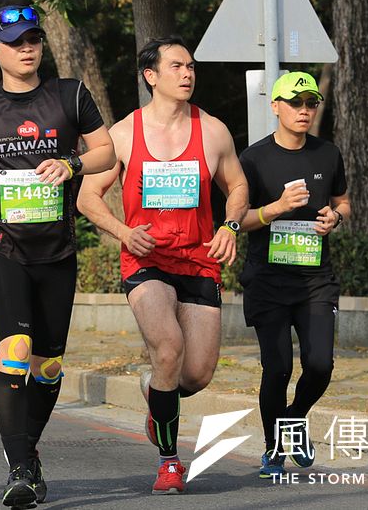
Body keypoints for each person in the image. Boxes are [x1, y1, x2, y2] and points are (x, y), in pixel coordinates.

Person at [0, 4, 115, 507]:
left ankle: (28, 453)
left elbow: (107, 152)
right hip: (1, 246)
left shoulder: (69, 94)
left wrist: (71, 162)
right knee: (14, 350)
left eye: (33, 37)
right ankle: (19, 468)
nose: (27, 47)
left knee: (49, 365)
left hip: (56, 249)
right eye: (14, 41)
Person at [78, 35, 248, 495]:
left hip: (200, 261)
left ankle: (158, 392)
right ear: (151, 76)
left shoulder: (212, 130)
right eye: (176, 66)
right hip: (145, 260)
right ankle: (170, 461)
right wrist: (123, 232)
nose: (188, 73)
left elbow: (236, 185)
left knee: (196, 374)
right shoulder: (123, 134)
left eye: (191, 66)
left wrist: (230, 227)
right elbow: (87, 197)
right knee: (168, 345)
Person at [236, 72, 350, 478]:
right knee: (279, 367)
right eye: (295, 102)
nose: (304, 110)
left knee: (320, 364)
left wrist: (334, 217)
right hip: (267, 280)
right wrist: (278, 207)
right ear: (276, 106)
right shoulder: (251, 159)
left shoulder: (327, 153)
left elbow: (343, 201)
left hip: (316, 278)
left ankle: (294, 419)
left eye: (311, 103)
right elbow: (237, 220)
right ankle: (272, 449)